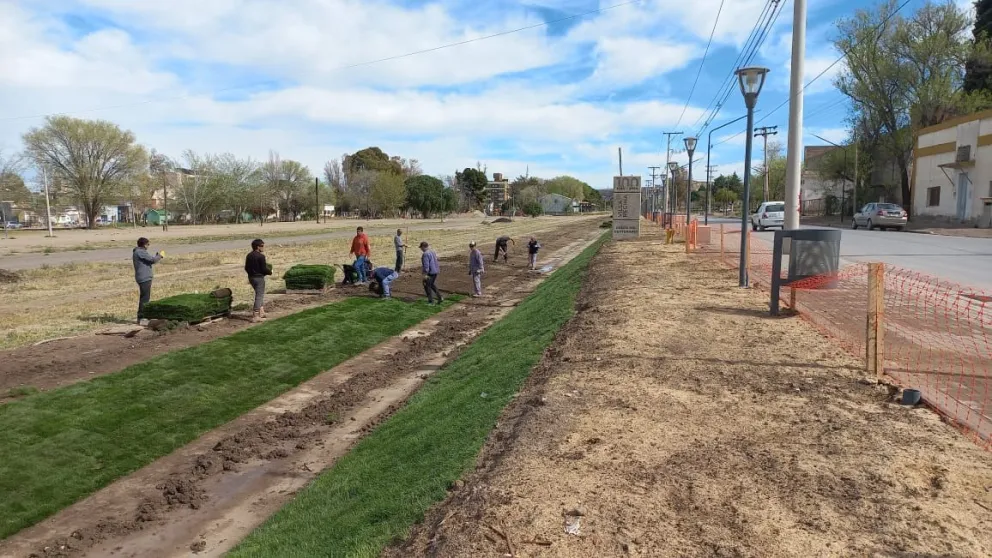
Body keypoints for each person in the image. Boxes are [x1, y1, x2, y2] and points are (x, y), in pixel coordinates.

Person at [132, 237, 163, 324]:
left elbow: (149, 260)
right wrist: (160, 256)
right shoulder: (140, 252)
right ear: (144, 245)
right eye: (148, 244)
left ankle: (142, 317)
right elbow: (152, 260)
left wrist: (157, 256)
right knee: (145, 298)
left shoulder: (139, 252)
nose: (148, 246)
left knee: (144, 297)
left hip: (144, 277)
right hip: (144, 278)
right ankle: (142, 317)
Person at [245, 238, 272, 322]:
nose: (263, 247)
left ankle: (262, 312)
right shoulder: (261, 256)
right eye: (262, 246)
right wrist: (270, 272)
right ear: (257, 247)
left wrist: (251, 274)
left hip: (251, 278)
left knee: (259, 294)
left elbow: (246, 268)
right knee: (259, 295)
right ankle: (255, 315)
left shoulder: (249, 255)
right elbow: (264, 269)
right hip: (259, 278)